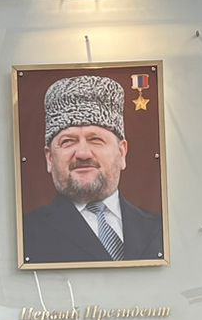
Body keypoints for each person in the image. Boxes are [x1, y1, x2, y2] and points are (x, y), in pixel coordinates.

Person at [21, 75, 164, 265]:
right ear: (49, 158)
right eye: (68, 141)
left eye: (96, 139)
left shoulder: (162, 230)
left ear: (121, 152)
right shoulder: (24, 235)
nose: (83, 153)